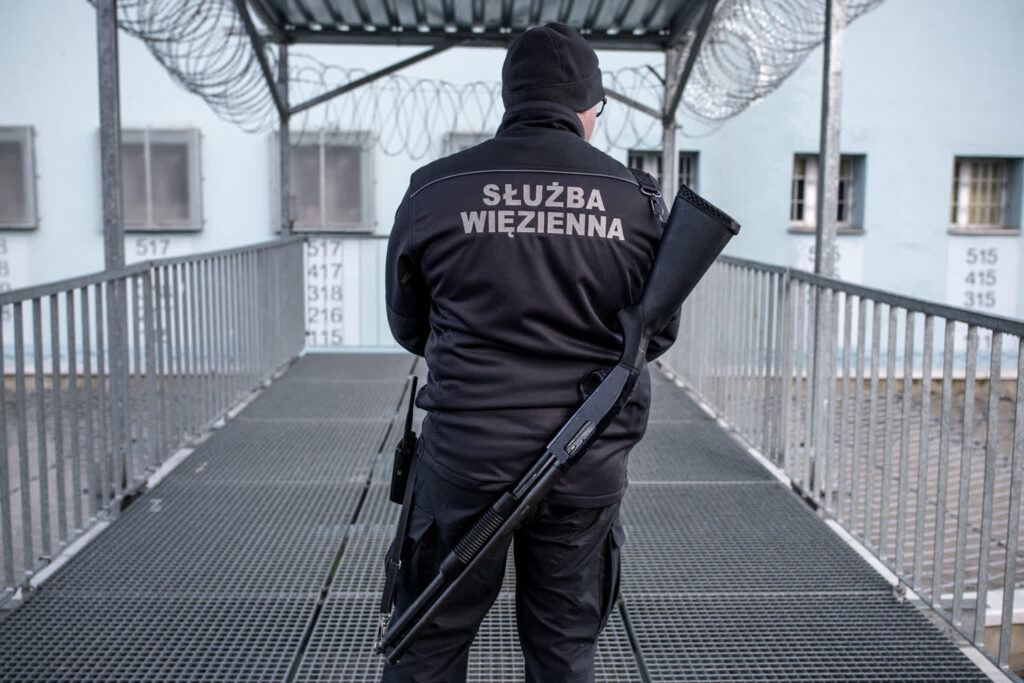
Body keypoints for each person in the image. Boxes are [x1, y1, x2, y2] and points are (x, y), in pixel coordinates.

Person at [383, 21, 678, 683]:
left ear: (510, 99)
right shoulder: (639, 200)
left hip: (465, 459)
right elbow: (657, 334)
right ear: (590, 108)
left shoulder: (434, 188)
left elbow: (409, 325)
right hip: (586, 462)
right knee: (563, 652)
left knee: (426, 647)